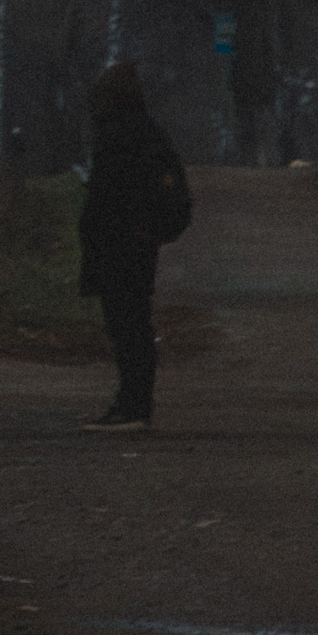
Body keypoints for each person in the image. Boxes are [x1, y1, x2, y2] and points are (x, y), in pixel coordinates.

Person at [77, 60, 190, 431]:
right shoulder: (145, 132)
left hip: (119, 242)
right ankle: (133, 402)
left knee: (127, 326)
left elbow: (110, 193)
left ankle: (133, 405)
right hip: (134, 241)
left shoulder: (119, 136)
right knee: (133, 322)